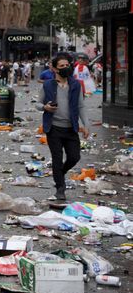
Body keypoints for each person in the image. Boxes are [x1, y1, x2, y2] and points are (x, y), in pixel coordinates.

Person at [41, 53, 90, 202]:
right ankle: (60, 189)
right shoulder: (48, 84)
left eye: (67, 65)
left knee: (75, 157)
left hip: (71, 128)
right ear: (55, 69)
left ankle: (60, 173)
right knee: (57, 158)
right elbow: (37, 103)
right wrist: (45, 107)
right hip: (54, 128)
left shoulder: (75, 84)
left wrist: (86, 125)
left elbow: (81, 106)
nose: (65, 68)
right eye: (61, 66)